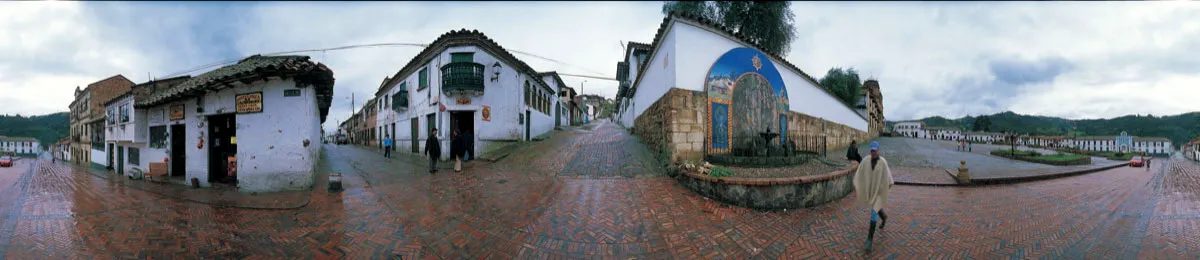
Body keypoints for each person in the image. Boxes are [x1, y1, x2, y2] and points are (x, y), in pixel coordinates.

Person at [853, 141, 894, 251]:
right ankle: (884, 217)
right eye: (872, 151)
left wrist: (888, 186)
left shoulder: (883, 162)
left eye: (875, 151)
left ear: (878, 150)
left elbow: (888, 177)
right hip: (872, 190)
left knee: (873, 212)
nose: (873, 152)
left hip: (879, 192)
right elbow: (860, 172)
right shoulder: (866, 160)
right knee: (875, 208)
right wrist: (857, 183)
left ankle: (869, 240)